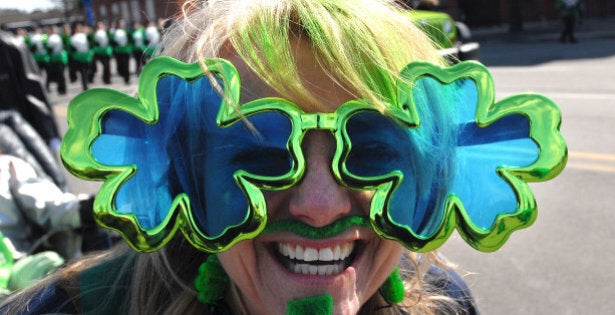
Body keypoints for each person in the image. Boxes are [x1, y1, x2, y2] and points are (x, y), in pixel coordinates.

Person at [0, 0, 567, 314]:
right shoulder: (65, 313)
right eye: (254, 150)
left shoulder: (445, 306)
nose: (319, 205)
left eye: (372, 148)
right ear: (180, 176)